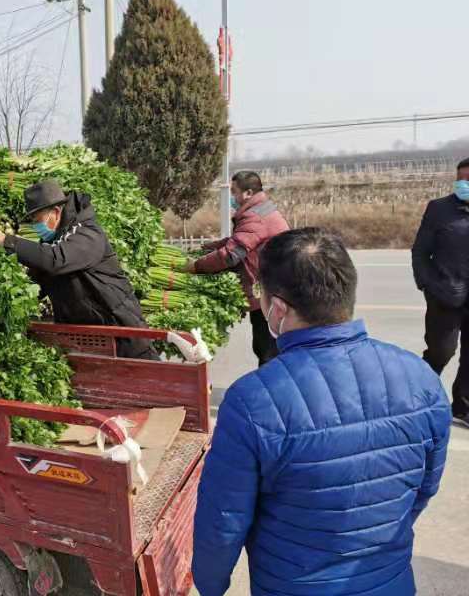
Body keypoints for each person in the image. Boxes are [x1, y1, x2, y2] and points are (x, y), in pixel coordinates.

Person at [192, 228, 451, 596]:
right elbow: (422, 490)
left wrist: (210, 587)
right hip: (390, 583)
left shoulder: (252, 402)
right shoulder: (422, 380)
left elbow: (222, 524)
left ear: (277, 309)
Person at [0, 179, 157, 360]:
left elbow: (56, 260)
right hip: (90, 341)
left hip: (124, 339)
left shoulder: (86, 233)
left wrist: (2, 239)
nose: (35, 226)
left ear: (56, 212)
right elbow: (33, 287)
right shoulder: (54, 242)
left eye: (37, 219)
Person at [186, 171, 289, 366]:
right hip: (275, 286)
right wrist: (209, 247)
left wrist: (196, 266)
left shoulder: (255, 218)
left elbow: (231, 255)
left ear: (248, 193)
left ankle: (270, 392)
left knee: (267, 350)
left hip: (269, 291)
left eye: (234, 192)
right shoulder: (261, 209)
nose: (232, 197)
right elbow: (238, 240)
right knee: (269, 348)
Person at [412, 156, 469, 427]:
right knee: (440, 352)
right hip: (445, 295)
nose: (464, 184)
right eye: (461, 179)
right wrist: (427, 285)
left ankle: (463, 406)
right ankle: (420, 399)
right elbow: (421, 251)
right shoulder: (439, 209)